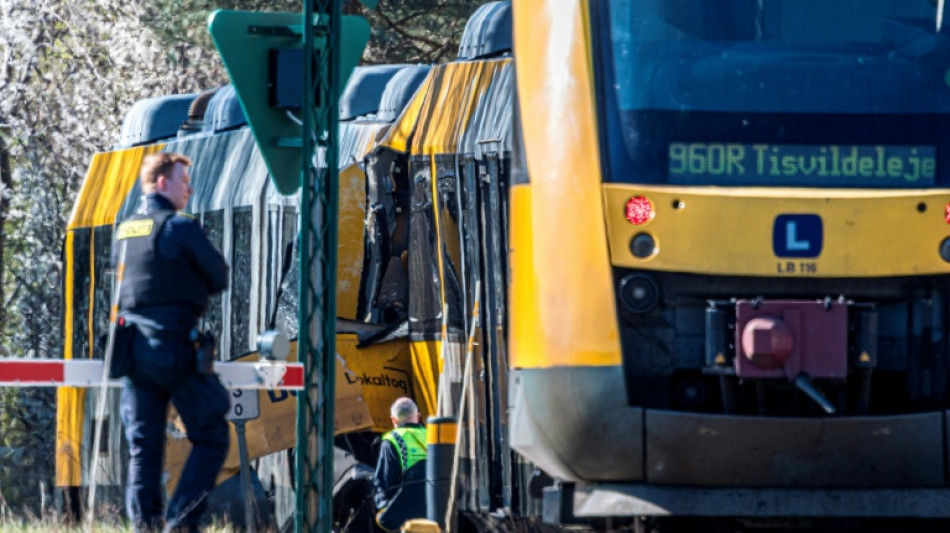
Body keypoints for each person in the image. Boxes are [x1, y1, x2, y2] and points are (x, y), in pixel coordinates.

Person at [113, 152, 230, 533]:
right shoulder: (180, 228)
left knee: (144, 448)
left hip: (131, 351)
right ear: (162, 183)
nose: (189, 189)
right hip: (175, 346)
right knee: (212, 436)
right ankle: (182, 522)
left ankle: (145, 527)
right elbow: (219, 276)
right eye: (184, 180)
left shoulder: (126, 230)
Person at [374, 397, 428, 532]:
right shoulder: (433, 435)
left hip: (408, 520)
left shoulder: (392, 440)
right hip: (438, 511)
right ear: (418, 416)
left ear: (393, 420)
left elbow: (385, 485)